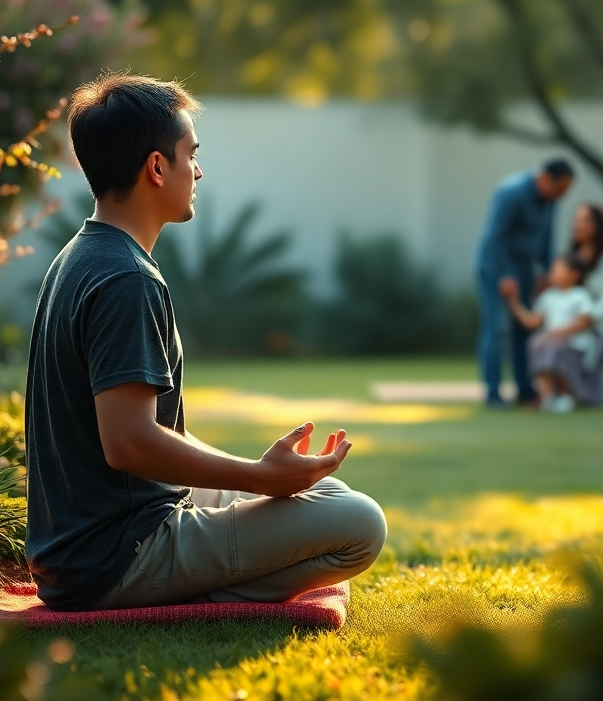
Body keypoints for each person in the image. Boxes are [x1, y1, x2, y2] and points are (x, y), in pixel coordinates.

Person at [24, 73, 387, 611]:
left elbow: (151, 438)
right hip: (116, 555)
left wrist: (269, 480)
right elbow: (129, 443)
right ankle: (196, 594)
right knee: (361, 524)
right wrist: (260, 477)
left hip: (115, 528)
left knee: (328, 496)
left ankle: (202, 573)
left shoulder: (81, 255)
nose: (198, 171)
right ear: (155, 167)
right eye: (190, 155)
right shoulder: (126, 279)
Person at [475, 159, 575, 407]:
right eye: (559, 189)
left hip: (525, 270)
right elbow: (495, 238)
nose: (561, 197)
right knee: (497, 330)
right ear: (544, 179)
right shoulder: (512, 193)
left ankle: (525, 389)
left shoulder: (550, 202)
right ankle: (493, 393)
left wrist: (547, 273)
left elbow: (546, 237)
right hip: (495, 268)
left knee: (525, 330)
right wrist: (505, 275)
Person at [540, 203, 603, 406]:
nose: (577, 225)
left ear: (598, 226)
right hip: (571, 329)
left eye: (585, 220)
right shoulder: (571, 259)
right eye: (576, 219)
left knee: (588, 390)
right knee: (543, 343)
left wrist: (578, 324)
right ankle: (554, 394)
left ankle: (576, 394)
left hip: (600, 331)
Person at [499, 254, 596, 413]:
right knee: (536, 343)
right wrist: (513, 301)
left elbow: (586, 320)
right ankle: (547, 395)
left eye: (559, 269)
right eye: (553, 269)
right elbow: (531, 321)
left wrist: (562, 332)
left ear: (574, 274)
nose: (554, 273)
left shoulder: (580, 295)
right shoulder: (548, 297)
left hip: (574, 345)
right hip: (551, 343)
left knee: (554, 348)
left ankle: (565, 396)